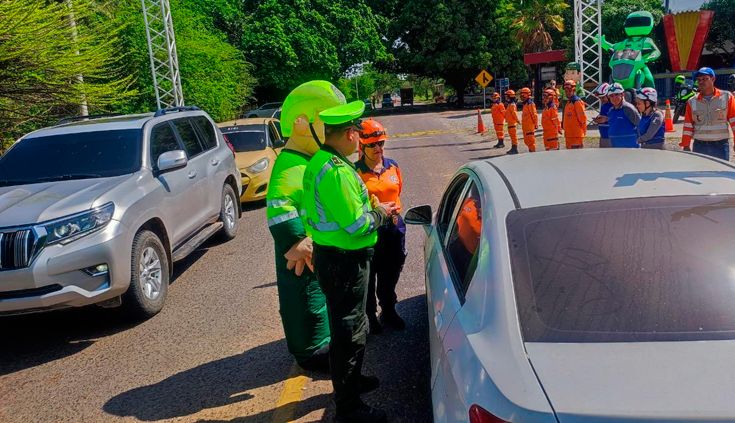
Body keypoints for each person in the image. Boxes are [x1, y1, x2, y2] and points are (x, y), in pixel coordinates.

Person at [302, 99, 397, 423]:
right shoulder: (337, 172)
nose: (360, 138)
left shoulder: (322, 162)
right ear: (346, 134)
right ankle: (349, 407)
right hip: (345, 262)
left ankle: (351, 384)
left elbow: (340, 211)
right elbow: (357, 225)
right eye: (356, 132)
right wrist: (381, 212)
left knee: (346, 328)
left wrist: (365, 201)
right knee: (350, 333)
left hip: (334, 257)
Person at [266, 80, 340, 373]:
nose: (331, 132)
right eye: (326, 123)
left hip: (318, 251)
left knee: (319, 295)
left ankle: (325, 341)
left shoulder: (308, 161)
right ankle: (310, 350)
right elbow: (279, 206)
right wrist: (295, 240)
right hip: (303, 253)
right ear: (300, 123)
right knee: (305, 299)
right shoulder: (288, 167)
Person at [354, 119, 406, 334]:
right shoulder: (355, 172)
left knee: (391, 272)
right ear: (362, 147)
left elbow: (398, 192)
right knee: (370, 275)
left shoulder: (392, 166)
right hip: (371, 229)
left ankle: (389, 309)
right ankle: (370, 317)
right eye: (372, 145)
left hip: (393, 228)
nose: (378, 148)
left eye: (381, 143)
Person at [680, 67, 735, 160]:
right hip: (699, 146)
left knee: (719, 173)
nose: (701, 82)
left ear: (713, 79)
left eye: (705, 79)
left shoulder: (727, 97)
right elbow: (688, 126)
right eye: (699, 79)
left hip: (720, 146)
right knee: (699, 173)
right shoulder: (692, 102)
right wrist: (686, 145)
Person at [606, 82, 641, 148]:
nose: (614, 98)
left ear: (622, 94)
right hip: (616, 147)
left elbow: (640, 124)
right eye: (611, 96)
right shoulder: (611, 111)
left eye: (616, 94)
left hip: (630, 148)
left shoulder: (628, 108)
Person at [562, 80, 587, 149]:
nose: (567, 93)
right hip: (569, 136)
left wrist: (583, 132)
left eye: (569, 91)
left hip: (576, 136)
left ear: (574, 90)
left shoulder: (577, 102)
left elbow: (583, 119)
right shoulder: (568, 103)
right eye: (566, 91)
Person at [592, 83, 612, 148]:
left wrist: (606, 119)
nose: (601, 100)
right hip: (603, 136)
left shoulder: (615, 106)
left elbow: (620, 120)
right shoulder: (604, 106)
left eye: (603, 97)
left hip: (611, 137)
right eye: (600, 98)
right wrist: (598, 119)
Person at [520, 87, 538, 153]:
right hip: (525, 126)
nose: (522, 96)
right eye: (521, 95)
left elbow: (534, 114)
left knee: (530, 141)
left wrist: (535, 124)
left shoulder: (530, 104)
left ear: (528, 95)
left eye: (523, 95)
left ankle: (533, 153)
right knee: (526, 141)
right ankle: (531, 151)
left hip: (530, 126)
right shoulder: (525, 104)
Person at [504, 89, 520, 154]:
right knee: (512, 136)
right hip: (510, 123)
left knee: (513, 136)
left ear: (510, 96)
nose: (506, 97)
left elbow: (514, 113)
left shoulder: (512, 105)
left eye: (507, 96)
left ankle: (515, 149)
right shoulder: (510, 104)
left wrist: (518, 120)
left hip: (512, 123)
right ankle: (513, 148)